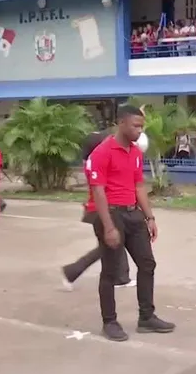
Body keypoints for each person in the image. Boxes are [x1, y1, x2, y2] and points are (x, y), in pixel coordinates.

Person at [85, 105, 175, 342]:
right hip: (110, 214)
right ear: (121, 123)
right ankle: (110, 321)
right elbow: (98, 192)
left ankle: (147, 317)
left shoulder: (135, 152)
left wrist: (150, 217)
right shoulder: (102, 153)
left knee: (147, 264)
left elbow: (138, 186)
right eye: (136, 126)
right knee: (111, 271)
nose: (139, 131)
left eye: (141, 126)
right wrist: (109, 227)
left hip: (132, 214)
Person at [61, 131, 135, 291]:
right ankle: (72, 271)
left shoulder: (93, 161)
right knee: (109, 244)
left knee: (116, 242)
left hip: (101, 208)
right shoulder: (98, 162)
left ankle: (121, 277)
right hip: (101, 209)